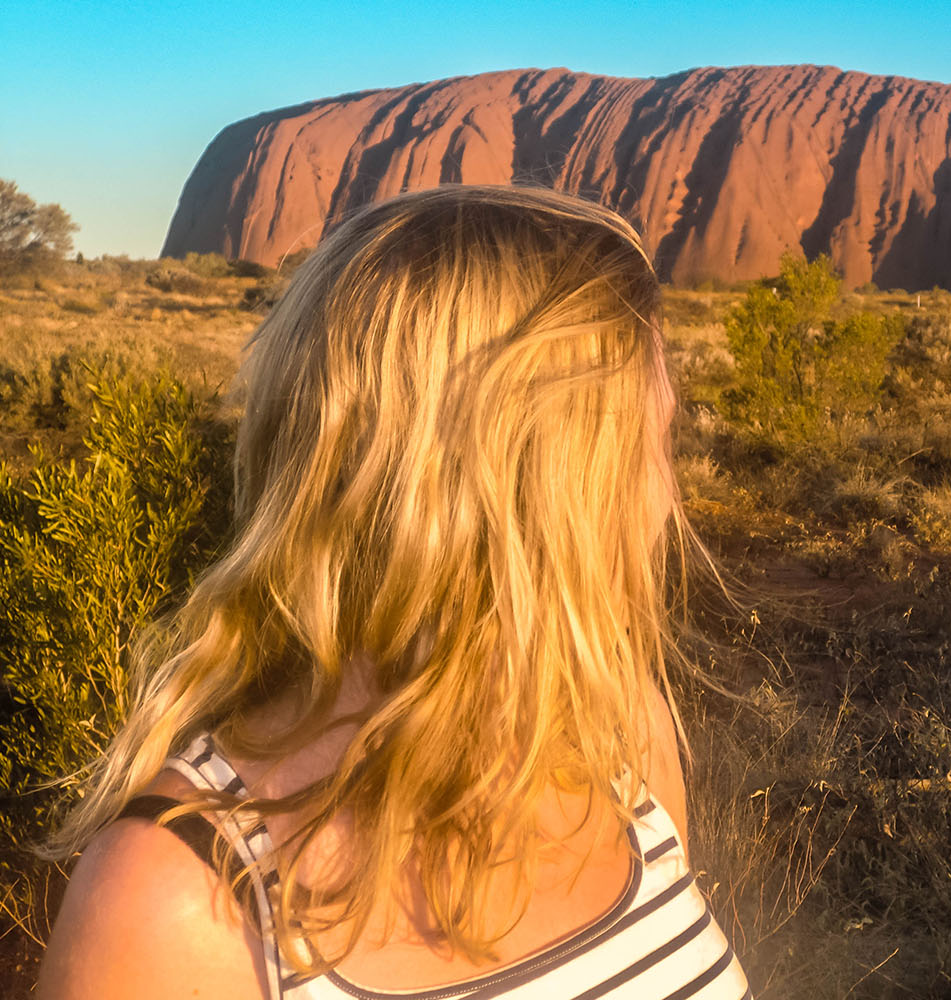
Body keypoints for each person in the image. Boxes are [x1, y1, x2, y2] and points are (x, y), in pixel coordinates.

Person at [35, 185, 753, 1000]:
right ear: (537, 487)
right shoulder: (177, 899)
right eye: (655, 442)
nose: (669, 495)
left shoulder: (617, 723)